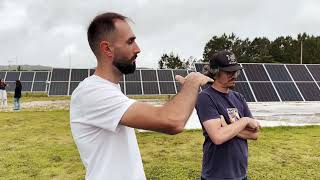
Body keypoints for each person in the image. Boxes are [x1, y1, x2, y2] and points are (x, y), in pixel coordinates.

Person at [70, 12, 213, 180]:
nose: (138, 48)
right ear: (107, 49)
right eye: (130, 41)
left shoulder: (110, 90)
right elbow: (172, 121)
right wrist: (192, 82)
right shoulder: (91, 92)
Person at [196, 50, 261, 180]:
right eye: (229, 72)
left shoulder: (239, 97)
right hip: (216, 175)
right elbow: (218, 137)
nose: (234, 75)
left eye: (236, 72)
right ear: (215, 72)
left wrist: (229, 128)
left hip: (241, 174)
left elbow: (255, 134)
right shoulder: (205, 98)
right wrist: (244, 121)